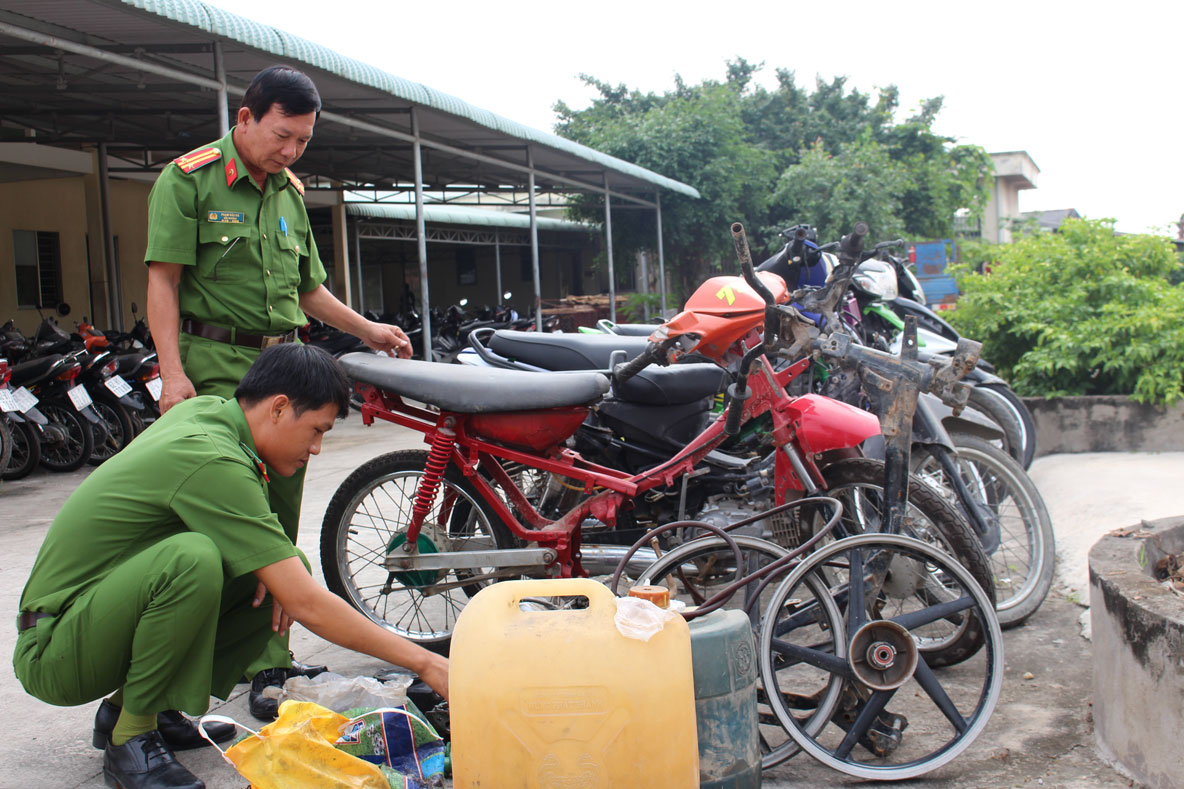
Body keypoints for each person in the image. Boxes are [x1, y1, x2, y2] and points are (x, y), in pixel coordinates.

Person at [13, 344, 448, 789]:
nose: (316, 449)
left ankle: (138, 704)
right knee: (193, 562)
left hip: (90, 618)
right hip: (54, 650)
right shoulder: (213, 457)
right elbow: (307, 604)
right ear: (279, 408)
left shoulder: (210, 415)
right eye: (316, 430)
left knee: (279, 566)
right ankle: (130, 739)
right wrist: (427, 664)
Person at [144, 64, 412, 720]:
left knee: (278, 519)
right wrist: (172, 373)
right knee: (213, 526)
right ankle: (179, 672)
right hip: (215, 373)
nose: (291, 151)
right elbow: (164, 281)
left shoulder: (288, 191)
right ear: (245, 118)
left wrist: (367, 329)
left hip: (285, 371)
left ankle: (269, 664)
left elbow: (308, 289)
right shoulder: (188, 180)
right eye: (282, 136)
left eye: (302, 142)